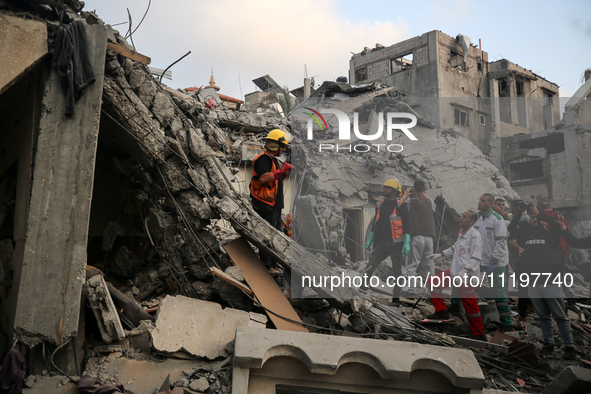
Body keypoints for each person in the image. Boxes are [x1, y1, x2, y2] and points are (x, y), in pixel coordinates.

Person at [513, 207, 577, 360]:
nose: (536, 220)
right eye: (534, 219)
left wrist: (539, 214)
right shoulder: (526, 236)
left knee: (560, 316)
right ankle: (548, 344)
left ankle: (570, 348)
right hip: (533, 282)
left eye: (539, 220)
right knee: (543, 316)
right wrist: (527, 217)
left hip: (551, 281)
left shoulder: (552, 235)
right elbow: (514, 229)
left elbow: (554, 224)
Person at [426, 210, 486, 341]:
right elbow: (454, 249)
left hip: (466, 276)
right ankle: (441, 312)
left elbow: (476, 257)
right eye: (462, 215)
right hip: (455, 272)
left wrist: (465, 271)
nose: (461, 218)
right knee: (433, 281)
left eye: (464, 217)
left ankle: (479, 334)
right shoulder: (461, 233)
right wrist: (440, 254)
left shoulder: (475, 236)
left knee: (471, 306)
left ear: (471, 221)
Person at [364, 178, 410, 305]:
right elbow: (375, 224)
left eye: (388, 188)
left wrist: (406, 243)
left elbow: (406, 226)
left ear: (395, 191)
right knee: (369, 266)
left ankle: (396, 299)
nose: (385, 189)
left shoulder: (401, 206)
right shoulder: (379, 205)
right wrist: (370, 240)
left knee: (397, 272)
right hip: (381, 243)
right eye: (384, 188)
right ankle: (362, 290)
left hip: (396, 245)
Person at [474, 193, 513, 331]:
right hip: (482, 259)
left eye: (483, 200)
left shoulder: (497, 219)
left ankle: (507, 324)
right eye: (479, 199)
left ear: (490, 204)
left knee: (498, 291)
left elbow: (501, 244)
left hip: (497, 262)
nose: (480, 202)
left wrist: (493, 262)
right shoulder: (477, 219)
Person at [250, 129, 292, 230]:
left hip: (274, 205)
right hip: (265, 206)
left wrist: (285, 172)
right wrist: (282, 170)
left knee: (276, 235)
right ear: (274, 145)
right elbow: (263, 179)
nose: (283, 150)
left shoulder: (274, 160)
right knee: (269, 235)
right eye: (282, 146)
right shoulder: (263, 159)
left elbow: (275, 180)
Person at [402, 180, 437, 297]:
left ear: (414, 189)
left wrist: (406, 194)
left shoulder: (410, 201)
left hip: (417, 237)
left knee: (412, 264)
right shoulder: (430, 202)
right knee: (428, 266)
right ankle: (431, 291)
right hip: (429, 238)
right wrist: (423, 193)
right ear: (425, 189)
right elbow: (433, 206)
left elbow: (398, 207)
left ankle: (411, 289)